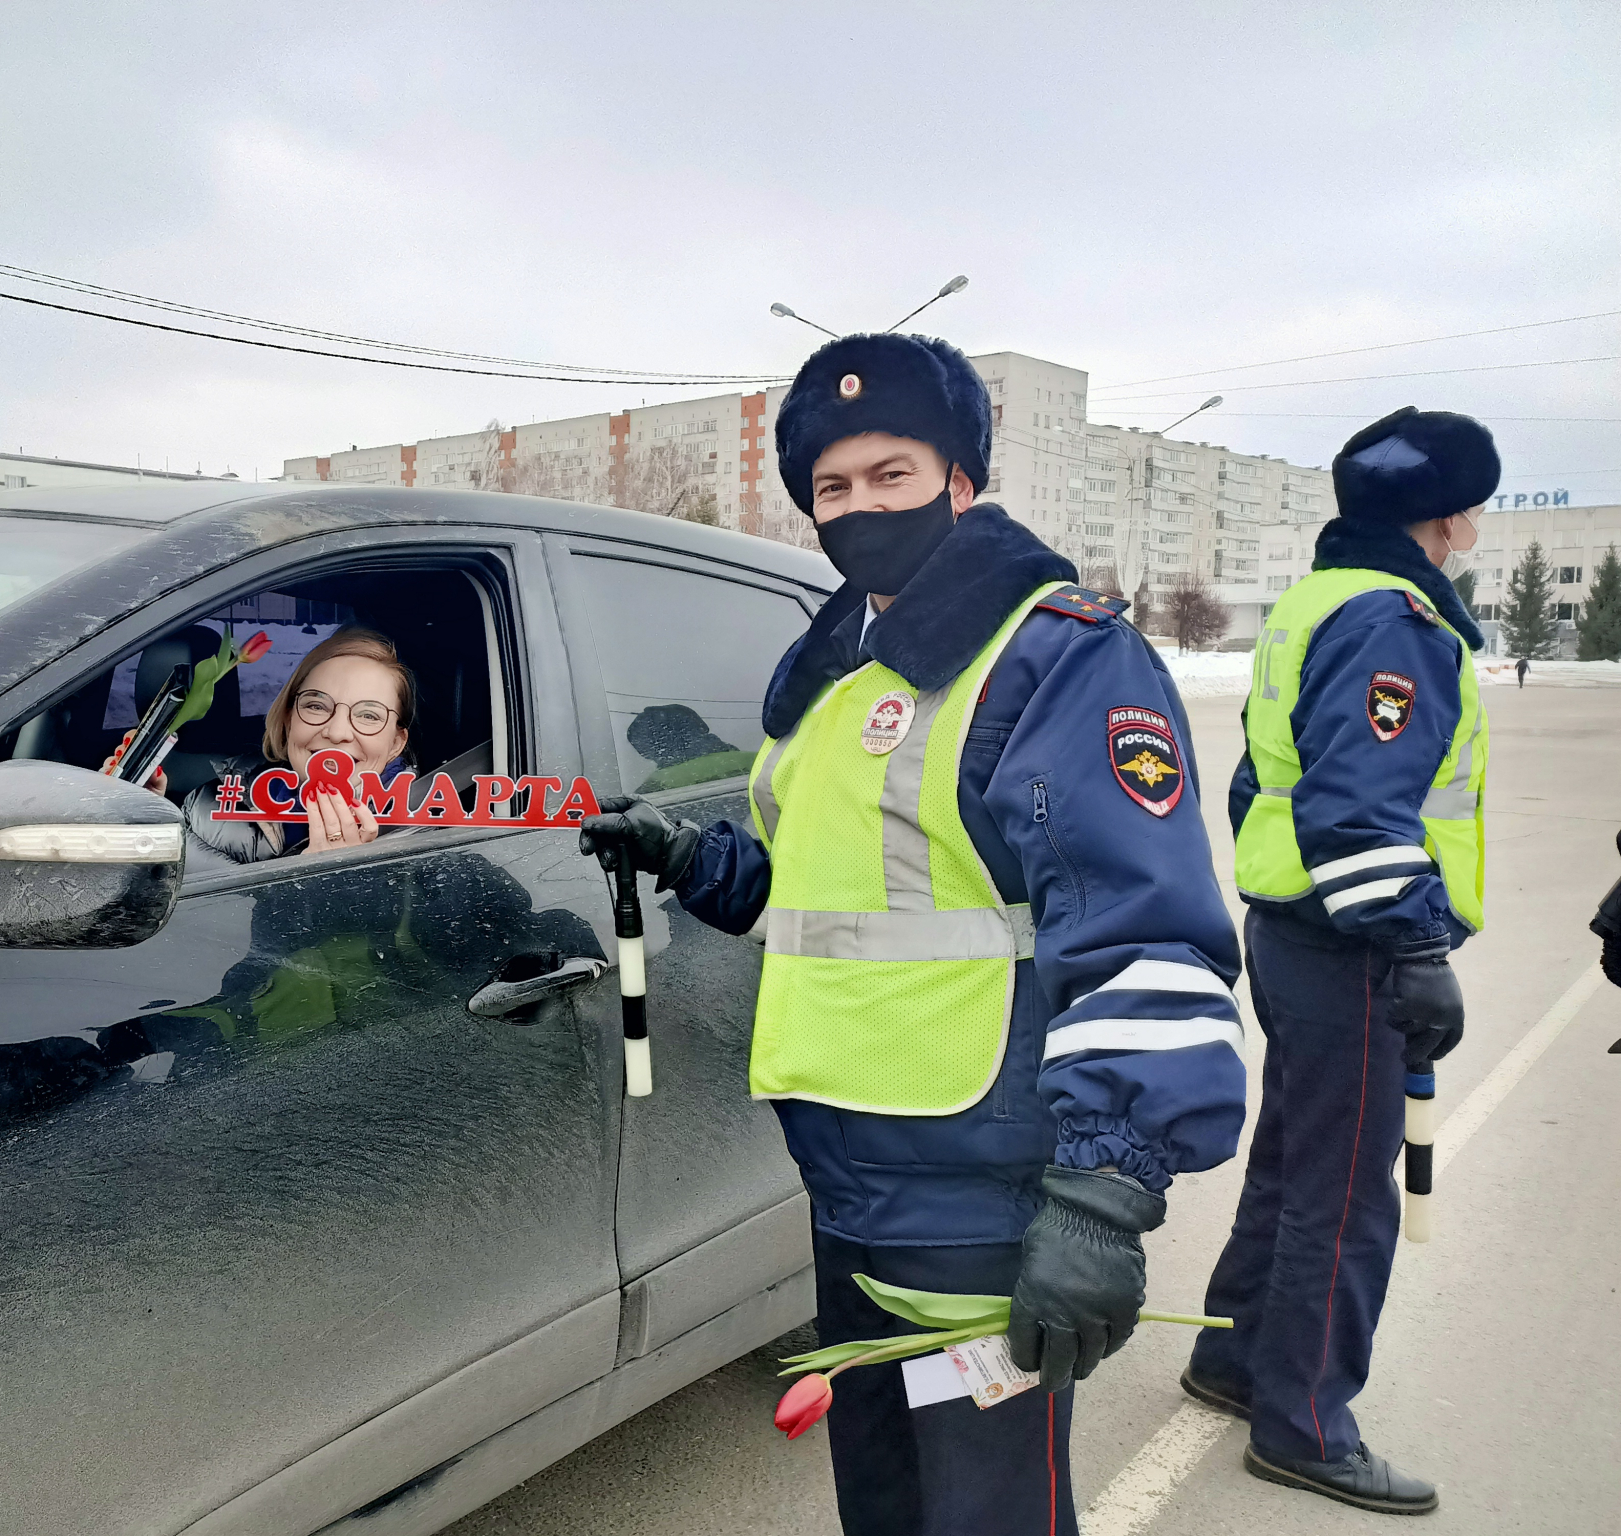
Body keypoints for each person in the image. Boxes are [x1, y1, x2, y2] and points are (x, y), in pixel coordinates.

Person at [580, 333, 1247, 1536]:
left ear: (960, 479)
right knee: (883, 1493)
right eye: (831, 488)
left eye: (890, 475)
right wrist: (699, 864)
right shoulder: (839, 678)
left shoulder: (1054, 655)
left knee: (983, 1512)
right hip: (846, 1168)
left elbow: (1140, 931)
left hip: (978, 1190)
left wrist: (1103, 1192)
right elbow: (845, 893)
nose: (858, 508)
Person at [1185, 407, 1497, 1516]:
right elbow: (1360, 810)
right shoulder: (1396, 620)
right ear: (1451, 517)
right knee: (1345, 1191)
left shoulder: (1313, 601)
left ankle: (1231, 1357)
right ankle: (1305, 1420)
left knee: (1291, 1157)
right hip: (1349, 940)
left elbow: (1258, 782)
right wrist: (1415, 946)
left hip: (1294, 926)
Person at [112, 626, 415, 861]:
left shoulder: (434, 841)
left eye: (368, 715)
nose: (336, 732)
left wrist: (332, 889)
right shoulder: (206, 808)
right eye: (316, 706)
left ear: (396, 742)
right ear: (287, 720)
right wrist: (138, 824)